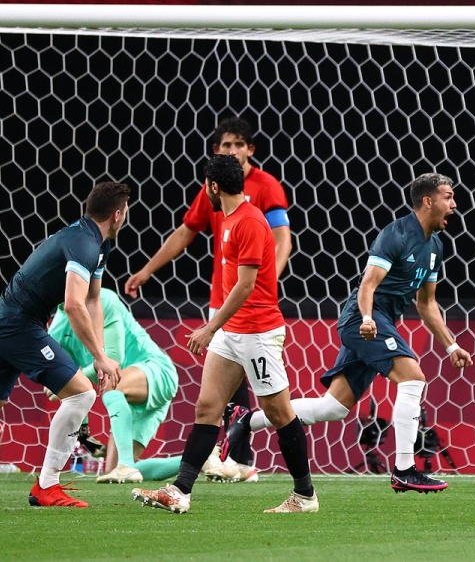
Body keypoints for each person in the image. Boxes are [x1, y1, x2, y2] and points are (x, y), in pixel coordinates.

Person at [224, 173, 474, 493]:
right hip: (362, 318)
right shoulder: (395, 235)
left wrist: (452, 347)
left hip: (378, 322)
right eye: (448, 197)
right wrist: (368, 318)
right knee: (412, 377)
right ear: (428, 201)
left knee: (334, 407)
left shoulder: (436, 246)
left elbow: (426, 304)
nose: (453, 204)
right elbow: (367, 285)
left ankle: (246, 422)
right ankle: (405, 469)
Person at [132, 155, 317, 514]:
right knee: (208, 406)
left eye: (205, 186)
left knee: (280, 413)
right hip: (233, 331)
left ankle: (305, 496)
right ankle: (180, 490)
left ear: (213, 187)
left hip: (258, 332)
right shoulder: (229, 218)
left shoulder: (249, 222)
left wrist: (209, 327)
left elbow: (246, 285)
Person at [0, 181, 130, 507]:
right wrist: (98, 356)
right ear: (118, 214)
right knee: (81, 393)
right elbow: (73, 304)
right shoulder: (83, 243)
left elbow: (93, 299)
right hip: (17, 324)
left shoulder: (98, 244)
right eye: (126, 211)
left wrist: (100, 355)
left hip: (3, 318)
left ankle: (47, 485)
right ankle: (47, 486)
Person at [124, 116, 291, 481]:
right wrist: (147, 270)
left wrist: (265, 281)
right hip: (223, 300)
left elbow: (283, 239)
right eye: (226, 145)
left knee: (271, 403)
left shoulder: (265, 188)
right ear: (217, 150)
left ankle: (265, 470)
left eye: (238, 144)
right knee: (216, 396)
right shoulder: (212, 192)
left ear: (251, 149)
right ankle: (215, 467)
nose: (232, 150)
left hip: (253, 303)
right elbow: (186, 231)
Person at [47, 288, 180, 484]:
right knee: (112, 471)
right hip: (123, 399)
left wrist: (65, 382)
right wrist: (84, 434)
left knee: (111, 384)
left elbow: (113, 359)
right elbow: (68, 390)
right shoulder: (57, 332)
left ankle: (125, 465)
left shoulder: (104, 300)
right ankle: (200, 459)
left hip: (156, 371)